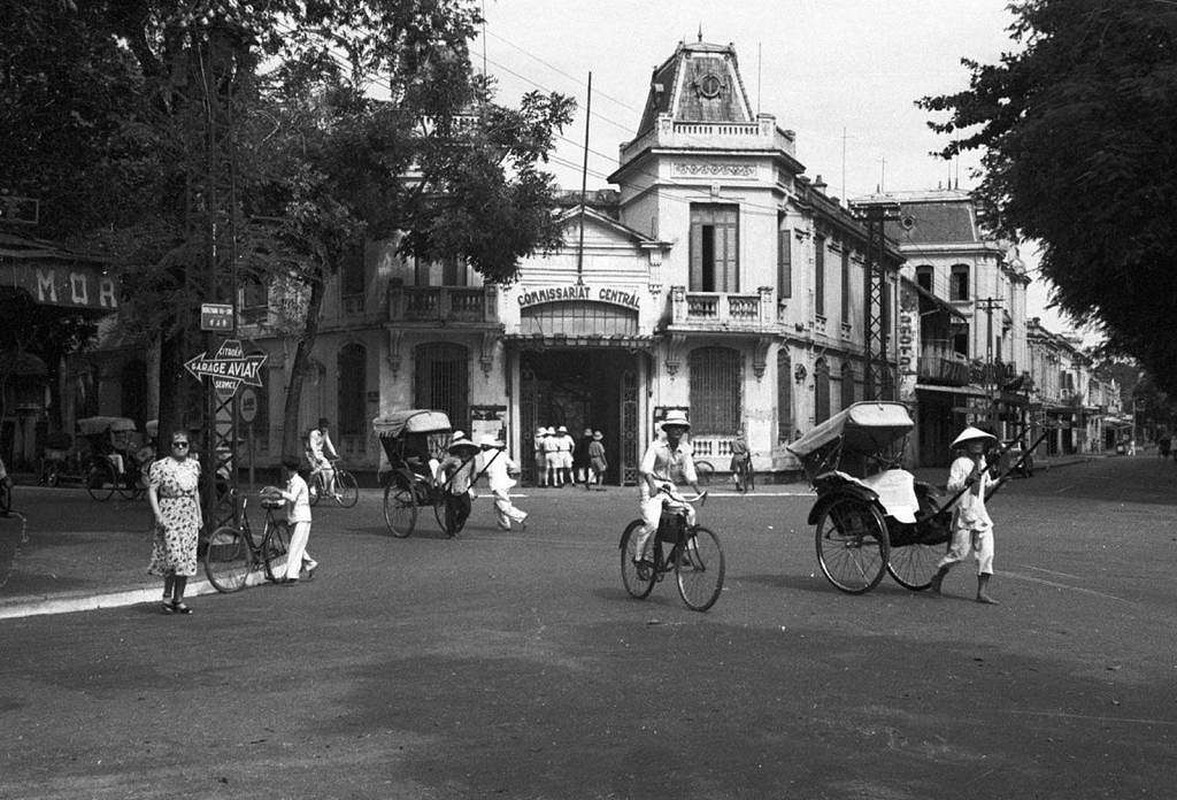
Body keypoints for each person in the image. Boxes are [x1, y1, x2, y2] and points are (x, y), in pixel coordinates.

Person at [930, 426, 1000, 605]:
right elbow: (951, 486)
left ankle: (982, 592)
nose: (977, 445)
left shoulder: (982, 463)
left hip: (981, 515)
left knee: (987, 553)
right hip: (964, 514)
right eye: (973, 442)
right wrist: (965, 481)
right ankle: (938, 576)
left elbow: (987, 484)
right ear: (967, 445)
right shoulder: (960, 463)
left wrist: (1001, 481)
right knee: (958, 555)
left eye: (980, 442)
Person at [632, 410, 701, 575]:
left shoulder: (685, 449)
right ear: (667, 429)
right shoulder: (656, 446)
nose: (678, 431)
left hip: (669, 487)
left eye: (681, 428)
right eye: (674, 427)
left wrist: (699, 490)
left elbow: (689, 472)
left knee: (689, 513)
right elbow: (645, 468)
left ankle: (681, 552)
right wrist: (652, 486)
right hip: (651, 485)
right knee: (652, 524)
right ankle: (639, 558)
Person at [147, 431, 202, 614]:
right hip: (169, 513)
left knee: (186, 559)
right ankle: (167, 596)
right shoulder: (160, 466)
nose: (180, 447)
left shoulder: (194, 466)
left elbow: (195, 492)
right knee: (173, 557)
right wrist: (158, 514)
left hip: (189, 515)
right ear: (170, 446)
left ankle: (179, 598)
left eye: (184, 444)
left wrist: (199, 515)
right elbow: (153, 490)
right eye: (176, 444)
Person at [264, 455, 317, 584]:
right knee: (298, 544)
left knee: (294, 547)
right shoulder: (292, 482)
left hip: (302, 518)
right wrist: (274, 502)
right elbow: (286, 500)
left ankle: (292, 576)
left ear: (288, 469)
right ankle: (310, 564)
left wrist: (277, 491)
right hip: (294, 518)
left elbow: (292, 498)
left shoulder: (298, 482)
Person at [478, 434, 528, 531]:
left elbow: (487, 469)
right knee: (497, 506)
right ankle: (504, 524)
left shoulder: (486, 455)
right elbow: (513, 466)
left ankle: (521, 516)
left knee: (503, 504)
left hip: (497, 483)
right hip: (505, 482)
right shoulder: (501, 454)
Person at [438, 433, 480, 536]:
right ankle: (451, 531)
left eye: (466, 448)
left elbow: (473, 474)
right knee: (451, 511)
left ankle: (457, 524)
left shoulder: (472, 460)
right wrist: (439, 481)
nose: (464, 450)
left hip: (463, 488)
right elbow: (440, 468)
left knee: (466, 509)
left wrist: (475, 486)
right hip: (451, 488)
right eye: (462, 448)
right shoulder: (453, 459)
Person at [306, 417, 339, 499]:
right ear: (320, 426)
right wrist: (317, 458)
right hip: (311, 454)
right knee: (316, 471)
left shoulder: (325, 433)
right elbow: (313, 446)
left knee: (330, 471)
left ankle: (330, 492)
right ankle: (310, 487)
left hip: (320, 454)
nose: (325, 428)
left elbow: (329, 443)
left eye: (326, 426)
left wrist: (334, 454)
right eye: (324, 426)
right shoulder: (313, 433)